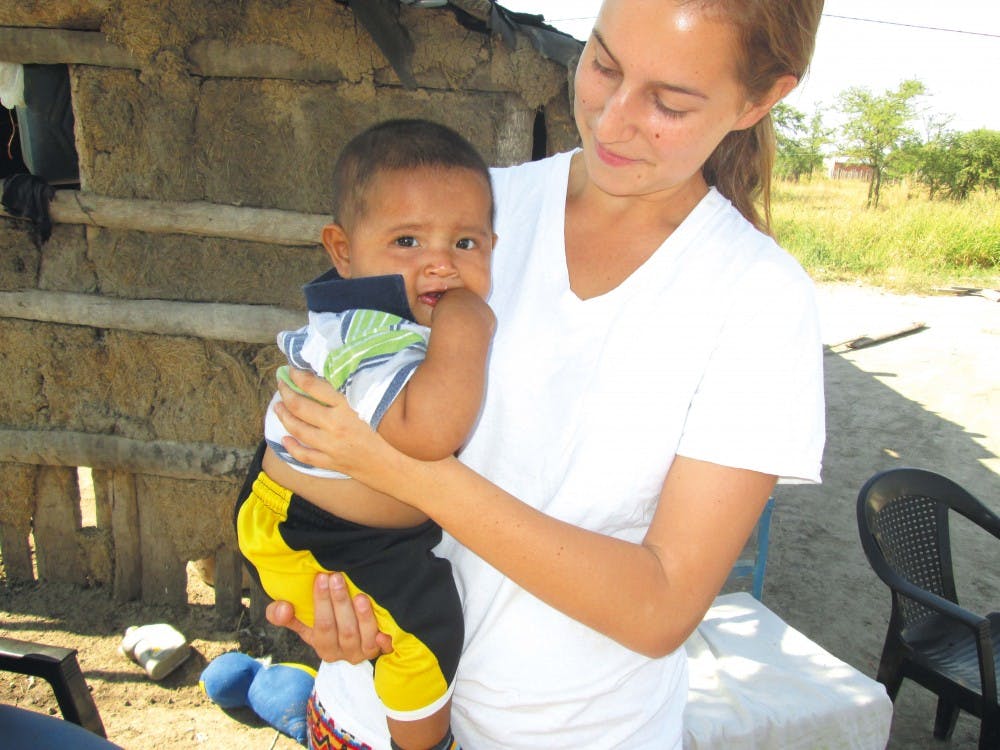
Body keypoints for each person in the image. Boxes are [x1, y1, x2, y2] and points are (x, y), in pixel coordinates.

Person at [267, 1, 827, 747]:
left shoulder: (760, 298)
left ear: (761, 99)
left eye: (668, 101)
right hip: (370, 715)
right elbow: (309, 409)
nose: (613, 118)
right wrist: (325, 591)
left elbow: (660, 608)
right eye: (603, 64)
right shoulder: (464, 212)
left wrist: (401, 470)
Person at [235, 118, 496, 750]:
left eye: (466, 244)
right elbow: (430, 432)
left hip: (315, 516)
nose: (440, 262)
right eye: (408, 240)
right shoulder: (371, 331)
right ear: (343, 250)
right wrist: (468, 329)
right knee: (425, 627)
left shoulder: (370, 318)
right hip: (321, 530)